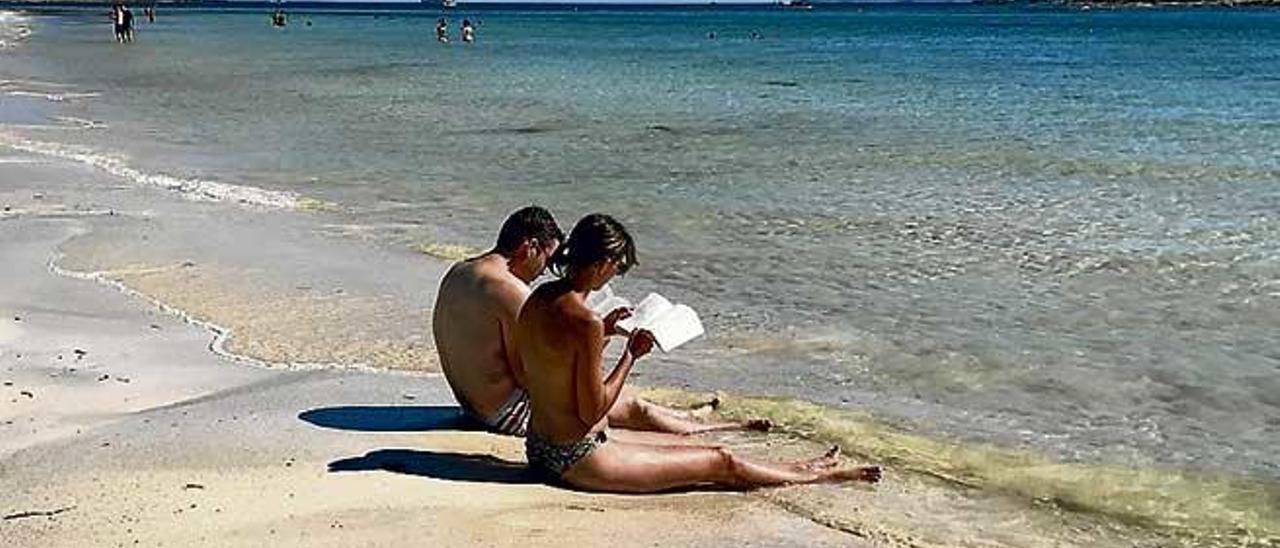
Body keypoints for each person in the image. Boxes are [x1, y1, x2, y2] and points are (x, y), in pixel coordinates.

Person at [516, 214, 883, 492]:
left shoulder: (538, 299)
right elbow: (593, 410)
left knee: (697, 444)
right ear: (602, 263)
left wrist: (608, 330)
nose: (616, 275)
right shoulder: (585, 322)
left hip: (541, 448)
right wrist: (632, 354)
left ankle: (802, 466)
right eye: (619, 267)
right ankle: (819, 476)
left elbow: (550, 365)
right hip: (578, 459)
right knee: (718, 460)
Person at [433, 206, 766, 438]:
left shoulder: (462, 271)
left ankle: (692, 419)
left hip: (472, 405)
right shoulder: (510, 289)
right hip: (505, 414)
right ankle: (719, 429)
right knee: (632, 409)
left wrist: (597, 331)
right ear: (529, 246)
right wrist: (592, 341)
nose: (546, 270)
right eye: (547, 258)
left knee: (624, 403)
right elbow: (532, 374)